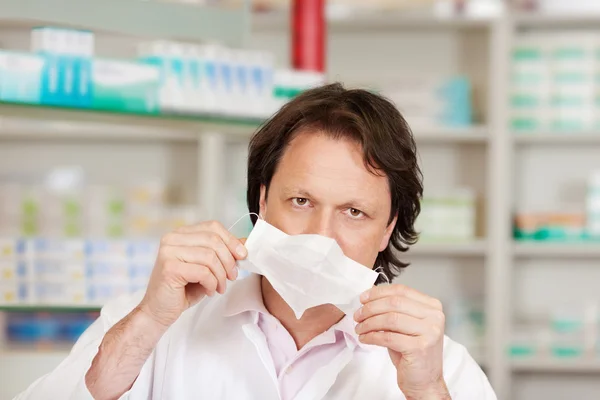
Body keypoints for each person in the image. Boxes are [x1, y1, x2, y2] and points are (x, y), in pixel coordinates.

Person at [16, 83, 496, 400]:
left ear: (388, 228)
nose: (320, 237)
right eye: (302, 201)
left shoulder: (437, 366)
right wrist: (148, 320)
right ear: (263, 201)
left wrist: (428, 388)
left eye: (354, 212)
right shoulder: (157, 324)